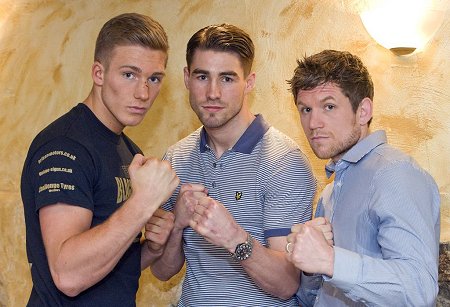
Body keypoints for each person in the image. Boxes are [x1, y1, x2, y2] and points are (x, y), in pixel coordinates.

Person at [148, 23, 316, 306]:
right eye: (203, 77)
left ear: (248, 83)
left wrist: (233, 237)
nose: (213, 93)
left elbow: (287, 284)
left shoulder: (284, 161)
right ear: (187, 78)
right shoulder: (176, 158)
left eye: (227, 79)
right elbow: (163, 271)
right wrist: (177, 225)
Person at [20, 13, 179, 306]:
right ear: (99, 73)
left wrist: (152, 250)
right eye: (129, 74)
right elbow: (68, 275)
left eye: (154, 78)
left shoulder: (129, 151)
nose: (143, 92)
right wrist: (143, 204)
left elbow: (109, 264)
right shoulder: (65, 146)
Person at [286, 49, 440, 306]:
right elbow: (312, 297)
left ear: (363, 111)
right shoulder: (330, 192)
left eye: (329, 106)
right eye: (305, 109)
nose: (313, 122)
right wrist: (311, 267)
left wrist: (329, 259)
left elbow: (418, 290)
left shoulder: (394, 173)